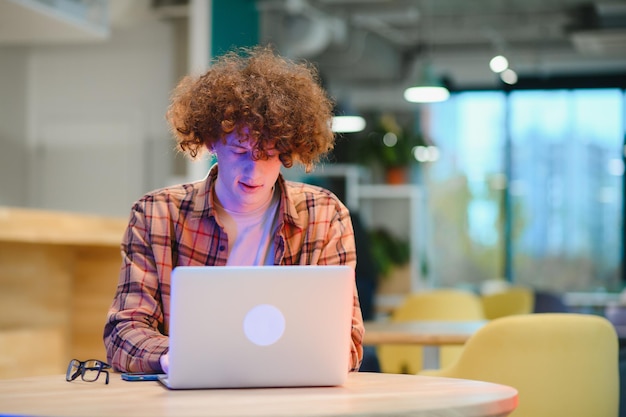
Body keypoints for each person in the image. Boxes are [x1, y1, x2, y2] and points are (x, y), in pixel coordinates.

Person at [103, 45, 364, 374]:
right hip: (190, 396)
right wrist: (184, 358)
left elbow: (347, 339)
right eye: (240, 150)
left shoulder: (324, 215)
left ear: (288, 150)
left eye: (269, 154)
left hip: (292, 395)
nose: (253, 172)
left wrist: (282, 360)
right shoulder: (157, 214)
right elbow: (123, 332)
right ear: (212, 141)